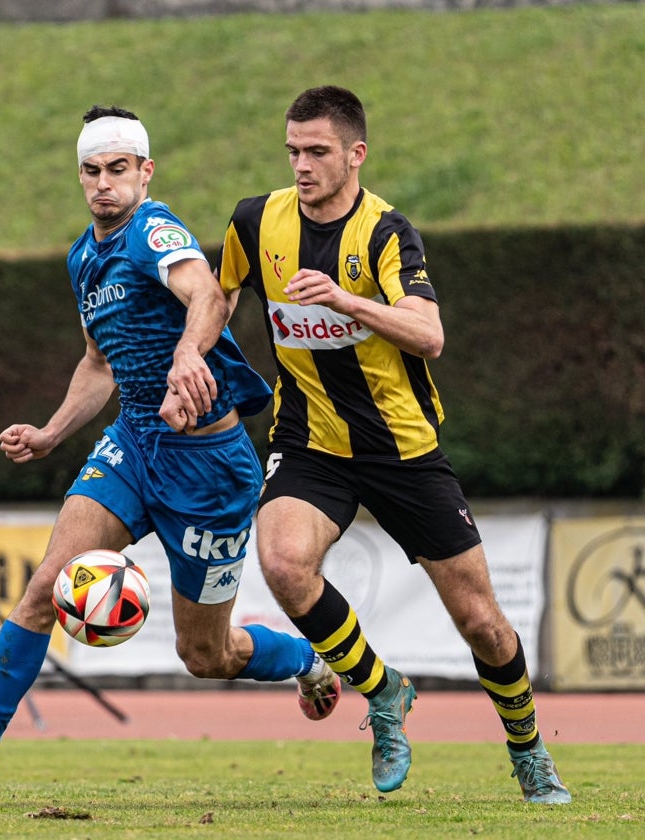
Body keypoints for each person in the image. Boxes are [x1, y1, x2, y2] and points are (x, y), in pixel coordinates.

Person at [0, 105, 342, 806]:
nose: (103, 183)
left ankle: (303, 660)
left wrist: (185, 354)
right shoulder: (84, 257)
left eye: (117, 169)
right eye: (90, 170)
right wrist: (51, 431)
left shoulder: (153, 231)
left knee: (206, 655)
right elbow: (97, 364)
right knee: (47, 584)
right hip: (134, 441)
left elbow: (205, 294)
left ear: (145, 171)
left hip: (210, 467)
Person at [199, 85, 569, 804]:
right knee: (281, 562)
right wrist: (191, 353)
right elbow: (220, 295)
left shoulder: (386, 233)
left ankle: (527, 749)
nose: (302, 166)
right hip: (309, 442)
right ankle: (384, 690)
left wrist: (346, 299)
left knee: (483, 624)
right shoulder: (256, 219)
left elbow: (429, 335)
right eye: (293, 152)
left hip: (402, 450)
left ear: (355, 155)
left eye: (317, 152)